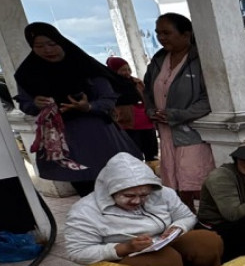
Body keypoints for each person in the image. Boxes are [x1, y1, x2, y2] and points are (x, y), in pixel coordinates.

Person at [14, 23, 142, 197]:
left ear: (60, 41)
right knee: (86, 189)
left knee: (116, 185)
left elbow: (108, 99)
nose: (47, 50)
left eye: (52, 44)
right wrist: (36, 104)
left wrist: (89, 106)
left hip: (99, 136)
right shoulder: (28, 73)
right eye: (39, 46)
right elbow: (25, 104)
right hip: (65, 140)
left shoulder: (84, 66)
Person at [65, 152, 224, 266]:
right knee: (165, 260)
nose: (137, 201)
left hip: (162, 243)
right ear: (110, 190)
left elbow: (187, 216)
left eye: (143, 195)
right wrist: (125, 248)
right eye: (128, 195)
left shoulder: (162, 193)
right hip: (125, 258)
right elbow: (78, 252)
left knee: (206, 241)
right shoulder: (85, 211)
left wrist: (177, 228)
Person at [144, 13, 216, 212]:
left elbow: (210, 98)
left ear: (186, 34)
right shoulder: (158, 60)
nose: (161, 38)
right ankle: (187, 219)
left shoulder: (199, 60)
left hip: (191, 132)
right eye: (158, 33)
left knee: (197, 182)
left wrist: (179, 114)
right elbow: (147, 89)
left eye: (167, 33)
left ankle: (209, 220)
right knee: (175, 183)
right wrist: (151, 110)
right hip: (166, 132)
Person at [106, 56, 159, 164]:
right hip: (128, 125)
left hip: (147, 123)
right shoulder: (110, 85)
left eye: (128, 69)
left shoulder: (136, 82)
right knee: (134, 155)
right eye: (123, 70)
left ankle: (153, 171)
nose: (127, 72)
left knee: (152, 155)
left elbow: (148, 98)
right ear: (114, 71)